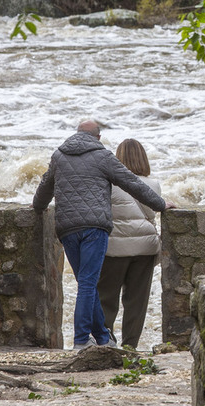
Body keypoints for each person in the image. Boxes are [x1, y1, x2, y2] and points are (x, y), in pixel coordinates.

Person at [32, 120, 174, 350]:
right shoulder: (102, 155)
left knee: (86, 283)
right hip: (95, 229)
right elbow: (132, 183)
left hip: (67, 228)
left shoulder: (59, 155)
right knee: (89, 285)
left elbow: (45, 185)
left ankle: (102, 337)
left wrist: (36, 208)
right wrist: (160, 205)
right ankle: (82, 340)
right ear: (98, 137)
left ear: (77, 134)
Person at [99, 138, 162, 350]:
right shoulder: (153, 184)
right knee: (136, 302)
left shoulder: (108, 184)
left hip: (114, 248)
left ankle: (105, 343)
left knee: (106, 298)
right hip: (145, 248)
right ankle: (130, 347)